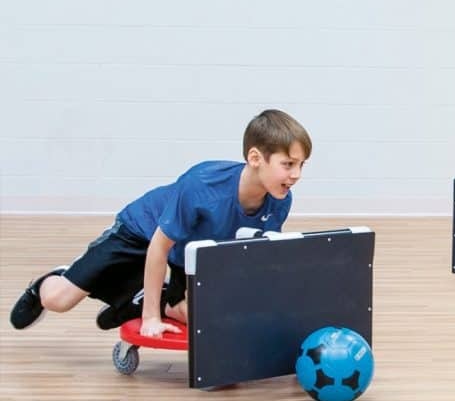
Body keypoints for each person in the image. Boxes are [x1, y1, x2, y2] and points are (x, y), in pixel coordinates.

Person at [10, 108, 312, 338]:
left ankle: (137, 300)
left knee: (206, 318)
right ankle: (48, 284)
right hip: (141, 231)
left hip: (184, 253)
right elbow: (158, 246)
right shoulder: (202, 186)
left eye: (301, 165)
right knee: (58, 300)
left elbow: (252, 256)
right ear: (256, 158)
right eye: (288, 164)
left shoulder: (280, 200)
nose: (296, 175)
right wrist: (151, 318)